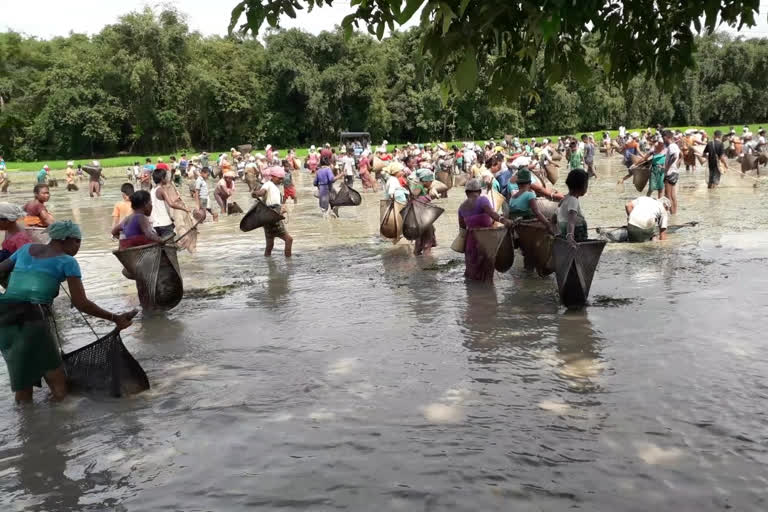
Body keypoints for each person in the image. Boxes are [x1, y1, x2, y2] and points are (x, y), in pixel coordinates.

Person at [0, 221, 135, 403]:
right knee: (58, 382)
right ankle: (62, 425)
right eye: (78, 241)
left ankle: (27, 427)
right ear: (67, 240)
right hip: (32, 316)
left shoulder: (26, 249)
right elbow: (82, 303)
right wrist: (115, 318)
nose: (78, 246)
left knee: (24, 380)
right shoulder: (67, 261)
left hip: (4, 314)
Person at [458, 179, 512, 282]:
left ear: (466, 192)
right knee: (487, 272)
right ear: (479, 191)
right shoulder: (482, 200)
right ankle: (487, 294)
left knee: (472, 270)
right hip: (485, 239)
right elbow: (493, 214)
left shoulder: (462, 207)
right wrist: (504, 220)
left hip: (471, 241)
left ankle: (473, 294)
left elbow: (462, 227)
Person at [252, 167, 292, 257]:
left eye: (282, 178)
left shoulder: (275, 188)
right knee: (289, 240)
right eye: (279, 178)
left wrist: (282, 210)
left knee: (270, 244)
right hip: (272, 217)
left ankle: (268, 262)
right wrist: (257, 193)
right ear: (272, 176)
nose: (281, 180)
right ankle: (289, 262)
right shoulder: (268, 184)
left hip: (267, 218)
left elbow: (275, 202)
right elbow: (262, 192)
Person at [151, 169, 188, 237]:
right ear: (162, 178)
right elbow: (171, 204)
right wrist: (184, 209)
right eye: (166, 177)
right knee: (170, 245)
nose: (167, 179)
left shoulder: (152, 190)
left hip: (155, 224)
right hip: (164, 224)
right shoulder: (161, 190)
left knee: (162, 246)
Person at [557, 169, 589, 243]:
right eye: (587, 185)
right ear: (583, 186)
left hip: (563, 234)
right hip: (577, 236)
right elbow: (571, 220)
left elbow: (554, 218)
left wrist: (555, 231)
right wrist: (570, 235)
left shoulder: (564, 199)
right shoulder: (573, 200)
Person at [662, 130, 681, 214]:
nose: (663, 140)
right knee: (672, 195)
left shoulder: (671, 146)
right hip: (674, 171)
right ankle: (674, 214)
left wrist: (667, 167)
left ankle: (672, 213)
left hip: (670, 172)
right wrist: (676, 166)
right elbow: (680, 156)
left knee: (668, 195)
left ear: (666, 137)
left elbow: (674, 156)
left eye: (663, 138)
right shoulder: (675, 146)